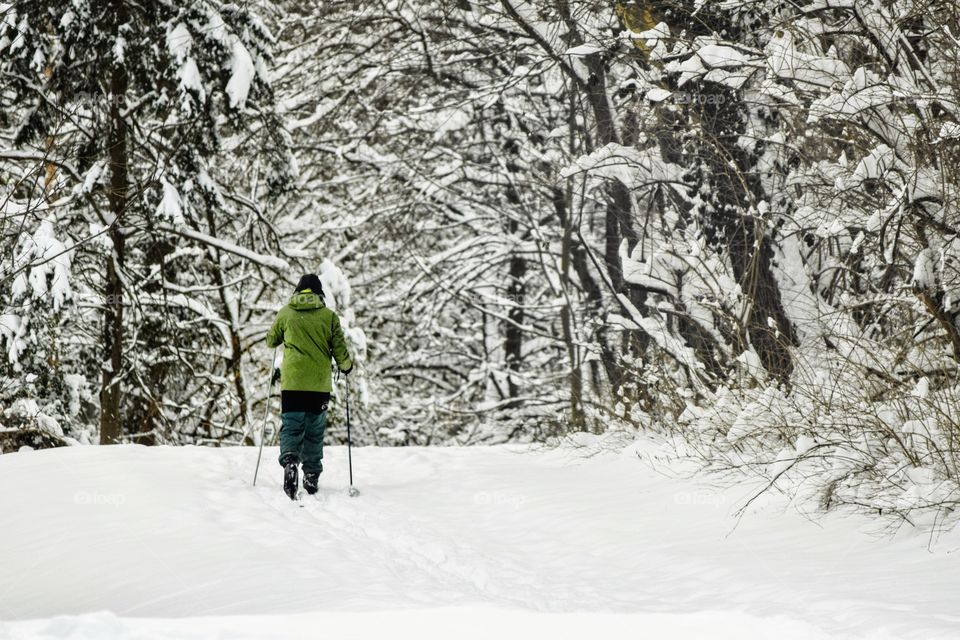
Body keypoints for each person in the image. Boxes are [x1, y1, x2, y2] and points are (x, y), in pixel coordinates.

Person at [266, 274, 353, 499]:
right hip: (318, 386)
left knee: (292, 427)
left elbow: (271, 341)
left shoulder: (286, 313)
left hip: (293, 384)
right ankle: (311, 476)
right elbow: (339, 349)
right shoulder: (329, 316)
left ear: (298, 291)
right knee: (314, 432)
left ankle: (290, 462)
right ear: (319, 293)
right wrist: (347, 367)